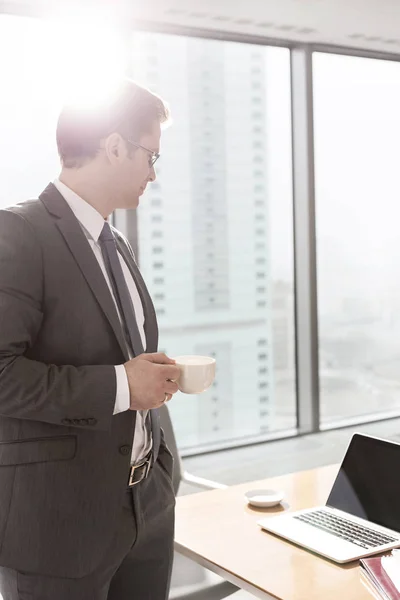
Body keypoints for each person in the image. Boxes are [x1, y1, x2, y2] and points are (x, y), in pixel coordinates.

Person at [0, 78, 181, 600]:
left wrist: (163, 471)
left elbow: (121, 357)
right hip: (60, 528)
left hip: (147, 507)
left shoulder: (116, 242)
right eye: (150, 157)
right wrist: (124, 386)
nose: (152, 173)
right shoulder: (19, 233)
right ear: (115, 146)